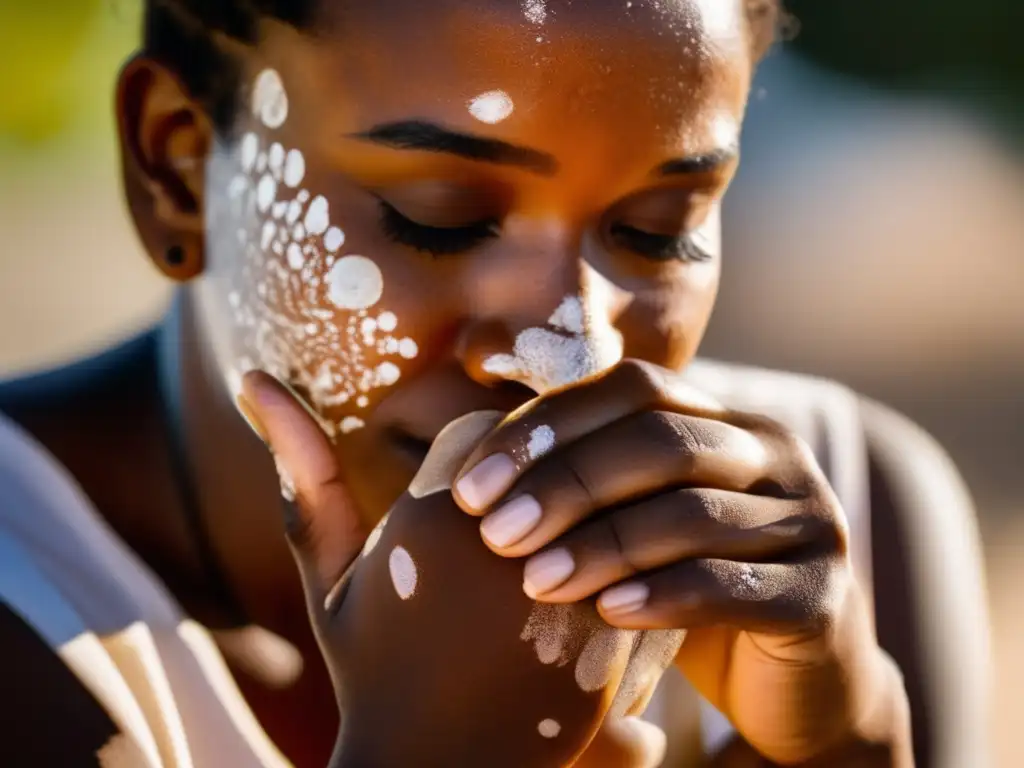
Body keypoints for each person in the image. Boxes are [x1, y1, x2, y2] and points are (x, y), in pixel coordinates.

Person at [0, 0, 988, 765]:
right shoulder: (27, 611)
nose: (572, 347)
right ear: (174, 166)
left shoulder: (845, 525)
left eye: (658, 228)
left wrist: (848, 739)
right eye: (438, 214)